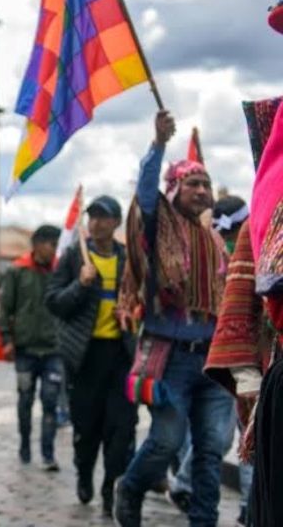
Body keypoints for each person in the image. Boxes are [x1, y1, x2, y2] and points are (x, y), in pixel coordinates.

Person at [114, 110, 233, 527]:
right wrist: (159, 144)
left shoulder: (217, 242)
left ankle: (204, 520)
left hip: (213, 360)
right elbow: (146, 192)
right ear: (174, 189)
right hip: (169, 356)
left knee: (212, 446)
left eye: (205, 184)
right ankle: (130, 488)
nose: (201, 190)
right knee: (165, 441)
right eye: (192, 183)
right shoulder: (156, 227)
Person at [45, 195, 137, 517]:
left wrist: (130, 312)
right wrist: (81, 285)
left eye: (103, 217)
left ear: (116, 222)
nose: (96, 222)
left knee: (122, 426)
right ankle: (84, 473)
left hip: (121, 355)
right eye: (92, 216)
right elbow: (54, 302)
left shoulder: (129, 259)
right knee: (87, 427)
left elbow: (143, 301)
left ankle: (111, 483)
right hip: (84, 357)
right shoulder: (74, 257)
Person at [168, 196, 250, 519]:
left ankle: (241, 504)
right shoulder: (213, 255)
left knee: (231, 436)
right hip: (227, 358)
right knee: (226, 436)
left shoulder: (252, 246)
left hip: (241, 356)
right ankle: (193, 487)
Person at [0, 224, 62, 470]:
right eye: (52, 245)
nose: (55, 250)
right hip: (25, 349)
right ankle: (25, 444)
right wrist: (6, 339)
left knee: (50, 400)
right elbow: (7, 307)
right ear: (37, 245)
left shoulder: (59, 271)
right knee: (25, 401)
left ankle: (48, 453)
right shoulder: (17, 270)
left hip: (53, 349)